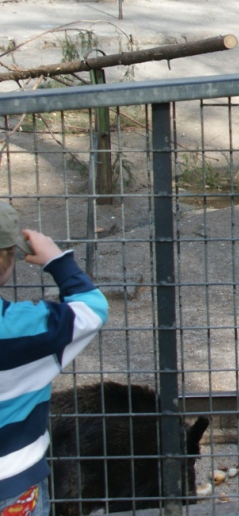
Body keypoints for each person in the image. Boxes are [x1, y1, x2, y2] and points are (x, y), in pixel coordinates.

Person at [0, 203, 109, 516]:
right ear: (8, 260)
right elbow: (91, 309)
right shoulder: (26, 329)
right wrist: (59, 263)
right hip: (13, 482)